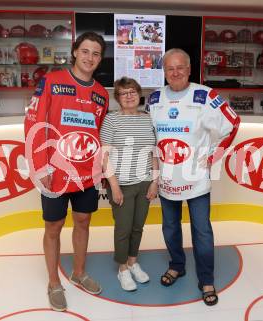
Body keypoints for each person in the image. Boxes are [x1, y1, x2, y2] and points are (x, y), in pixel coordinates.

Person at [146, 48, 240, 306]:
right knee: (170, 228)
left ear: (189, 69)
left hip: (195, 179)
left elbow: (232, 123)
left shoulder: (206, 96)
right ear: (164, 72)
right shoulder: (154, 99)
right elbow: (152, 139)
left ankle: (206, 280)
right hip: (167, 180)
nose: (175, 73)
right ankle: (177, 265)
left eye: (180, 68)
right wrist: (154, 175)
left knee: (202, 232)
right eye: (169, 68)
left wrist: (212, 156)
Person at [24, 31, 109, 312]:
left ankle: (79, 272)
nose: (90, 58)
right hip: (54, 171)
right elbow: (33, 122)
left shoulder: (101, 94)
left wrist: (101, 170)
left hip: (87, 172)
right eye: (85, 51)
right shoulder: (52, 81)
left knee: (83, 221)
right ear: (75, 52)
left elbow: (98, 134)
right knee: (54, 226)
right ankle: (53, 283)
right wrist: (41, 166)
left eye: (96, 53)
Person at [100, 77, 158, 291]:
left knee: (137, 227)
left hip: (144, 183)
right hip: (121, 184)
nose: (129, 96)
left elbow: (154, 152)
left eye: (132, 91)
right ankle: (122, 269)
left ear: (139, 94)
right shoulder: (111, 120)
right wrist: (113, 185)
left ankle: (133, 263)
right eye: (124, 93)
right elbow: (104, 156)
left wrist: (154, 181)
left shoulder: (148, 119)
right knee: (123, 229)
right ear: (118, 98)